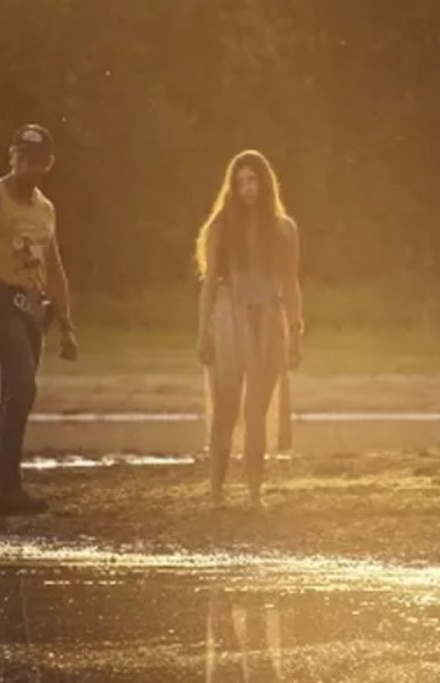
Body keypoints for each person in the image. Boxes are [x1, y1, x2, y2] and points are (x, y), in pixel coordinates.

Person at [0, 123, 78, 515]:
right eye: (23, 159)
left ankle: (3, 488)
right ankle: (6, 486)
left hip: (32, 307)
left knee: (16, 394)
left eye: (37, 162)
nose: (29, 167)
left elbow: (55, 268)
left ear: (49, 164)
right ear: (12, 157)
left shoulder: (46, 209)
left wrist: (66, 324)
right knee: (23, 387)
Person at [196, 150, 303, 507]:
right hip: (229, 316)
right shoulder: (221, 229)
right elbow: (209, 284)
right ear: (233, 185)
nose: (248, 188)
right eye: (241, 181)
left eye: (253, 179)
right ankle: (215, 494)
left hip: (269, 318)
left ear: (265, 182)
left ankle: (255, 494)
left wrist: (296, 331)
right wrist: (203, 333)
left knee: (257, 410)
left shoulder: (283, 229)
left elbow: (291, 284)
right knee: (226, 408)